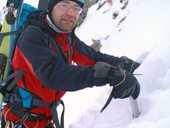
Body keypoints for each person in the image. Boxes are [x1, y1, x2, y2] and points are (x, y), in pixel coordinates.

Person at [1, 0, 140, 127]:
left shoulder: (66, 37)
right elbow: (53, 74)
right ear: (51, 7)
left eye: (76, 8)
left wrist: (122, 64)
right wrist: (108, 75)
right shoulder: (32, 37)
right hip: (20, 122)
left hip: (44, 121)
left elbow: (92, 57)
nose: (71, 14)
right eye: (64, 5)